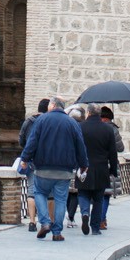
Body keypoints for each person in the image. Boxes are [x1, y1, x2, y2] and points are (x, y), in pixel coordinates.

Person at [22, 99, 88, 241]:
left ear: (52, 106)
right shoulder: (72, 123)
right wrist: (83, 164)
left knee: (39, 193)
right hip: (64, 170)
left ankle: (45, 222)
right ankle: (57, 232)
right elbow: (80, 145)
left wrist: (25, 159)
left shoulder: (42, 120)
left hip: (43, 167)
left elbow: (32, 142)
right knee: (60, 200)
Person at [79, 104, 122, 235]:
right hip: (101, 168)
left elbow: (76, 147)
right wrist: (113, 169)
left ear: (88, 113)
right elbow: (113, 152)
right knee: (98, 198)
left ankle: (85, 213)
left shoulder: (80, 127)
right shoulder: (108, 129)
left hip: (83, 167)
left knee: (83, 193)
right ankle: (96, 227)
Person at [18, 97, 50, 231]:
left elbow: (21, 140)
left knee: (31, 191)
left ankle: (32, 222)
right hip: (47, 162)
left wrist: (26, 155)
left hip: (30, 161)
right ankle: (49, 220)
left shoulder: (28, 122)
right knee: (48, 193)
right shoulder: (49, 122)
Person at [64, 106, 88, 224]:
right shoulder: (83, 128)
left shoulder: (67, 128)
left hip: (67, 163)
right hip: (77, 164)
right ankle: (71, 217)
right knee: (75, 192)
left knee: (67, 191)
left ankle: (68, 214)